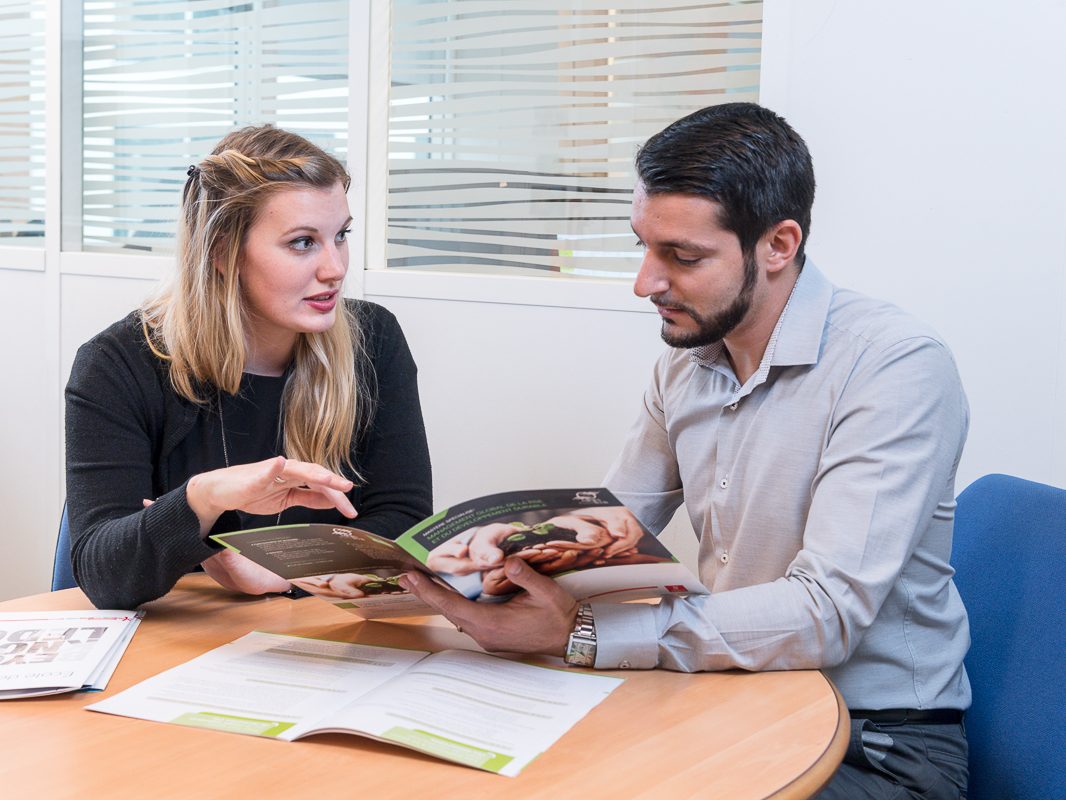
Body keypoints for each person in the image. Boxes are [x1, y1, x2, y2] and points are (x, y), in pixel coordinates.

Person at [401, 103, 970, 798]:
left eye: (683, 256)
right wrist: (506, 561)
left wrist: (578, 631)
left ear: (778, 244)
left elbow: (827, 612)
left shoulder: (893, 366)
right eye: (644, 245)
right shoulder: (688, 361)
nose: (646, 282)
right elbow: (611, 529)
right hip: (739, 699)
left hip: (875, 741)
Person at [66, 125, 432, 610]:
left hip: (323, 631)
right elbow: (104, 574)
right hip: (183, 637)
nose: (336, 268)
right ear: (222, 251)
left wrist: (283, 571)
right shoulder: (117, 365)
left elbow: (403, 523)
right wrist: (203, 498)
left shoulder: (374, 339)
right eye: (303, 242)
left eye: (340, 235)